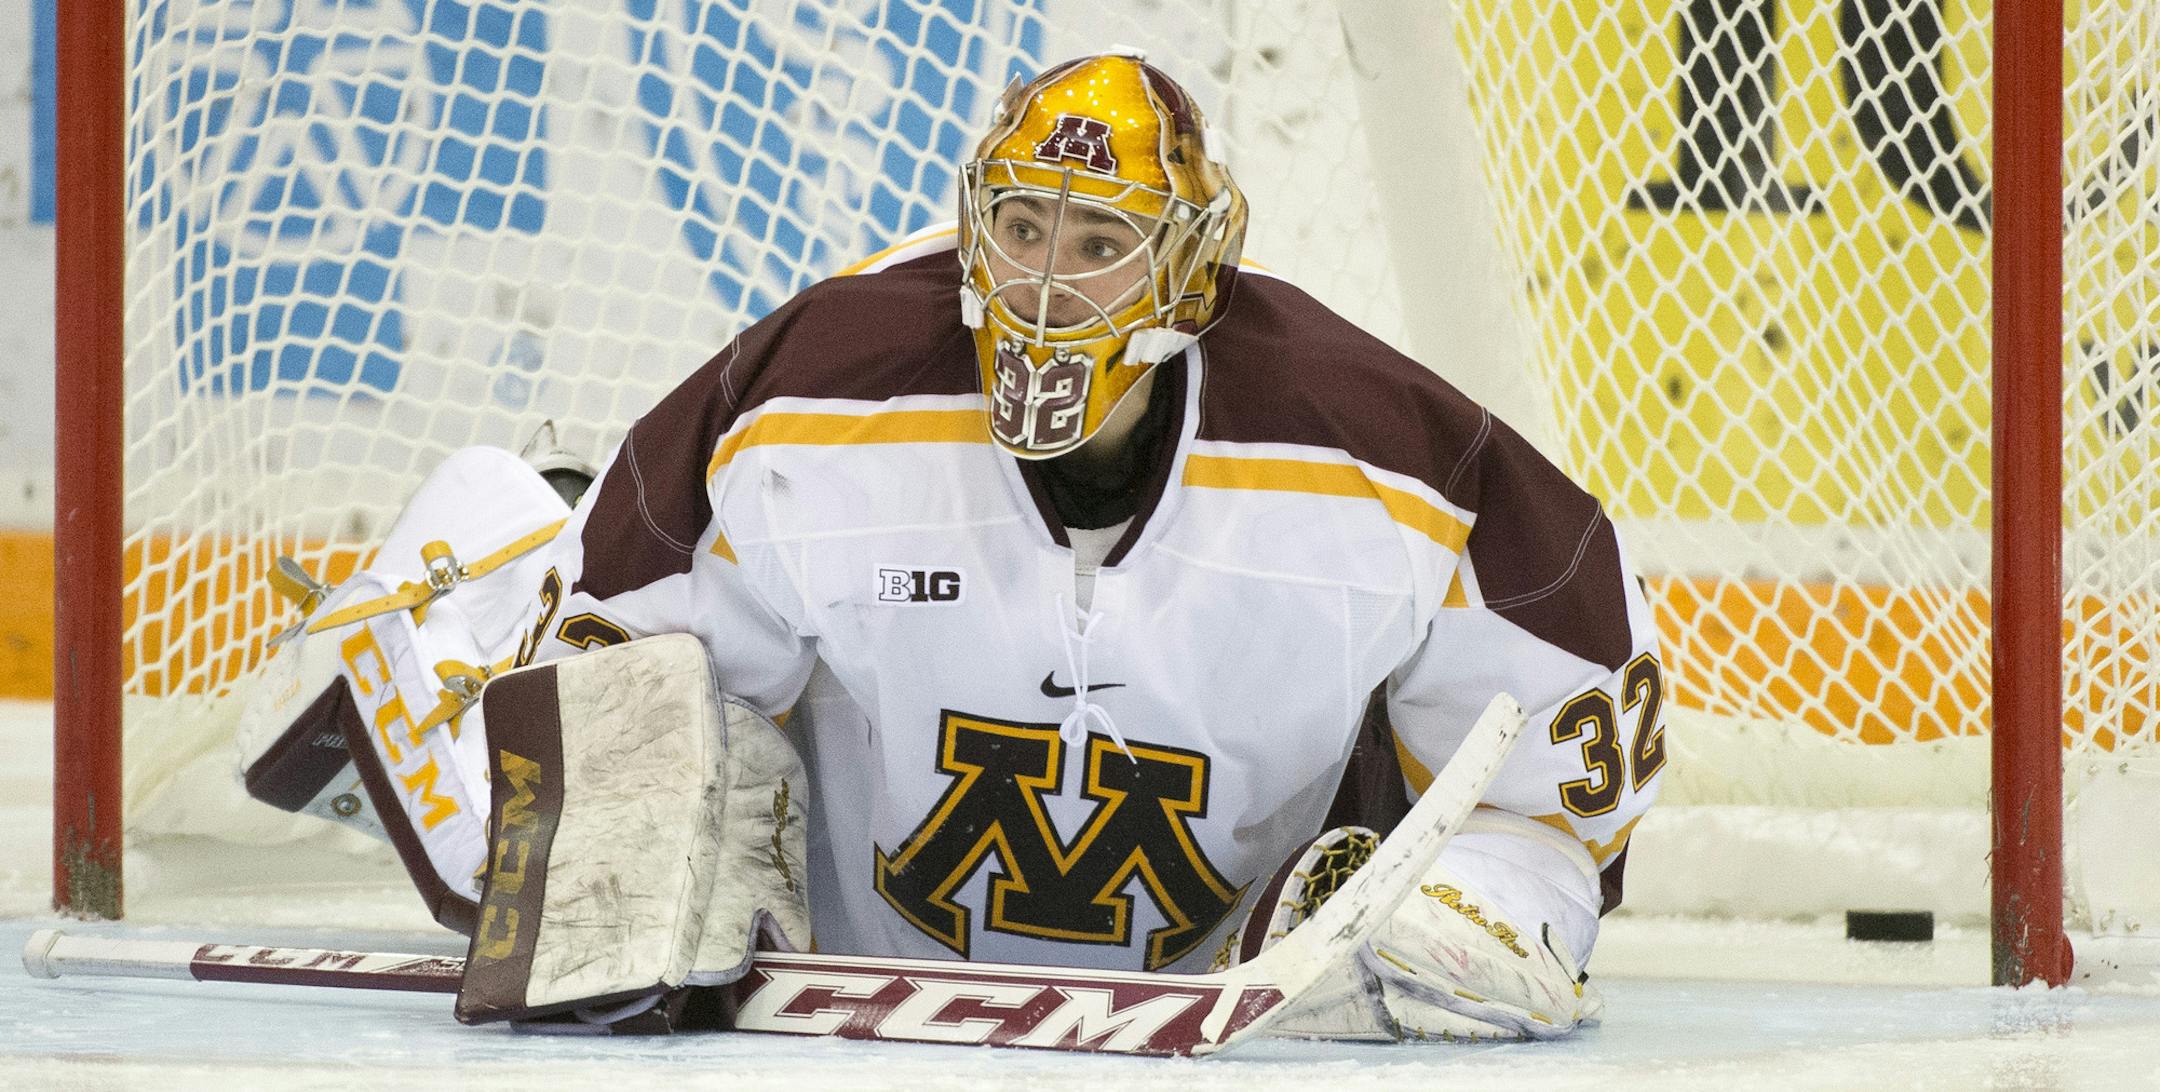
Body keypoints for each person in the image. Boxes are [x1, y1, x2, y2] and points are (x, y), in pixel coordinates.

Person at [241, 52, 1662, 1042]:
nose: (1046, 285)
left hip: (1225, 973)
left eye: (1100, 240)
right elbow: (629, 630)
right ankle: (472, 562)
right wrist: (615, 813)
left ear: (1195, 265)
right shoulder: (819, 393)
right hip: (848, 953)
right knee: (578, 906)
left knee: (1459, 971)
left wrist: (1503, 893)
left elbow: (1563, 740)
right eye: (1021, 226)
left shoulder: (1380, 455)